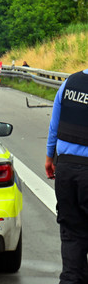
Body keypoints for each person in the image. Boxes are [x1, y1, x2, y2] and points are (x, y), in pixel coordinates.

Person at [45, 67, 88, 284]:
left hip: (66, 170)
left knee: (72, 232)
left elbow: (55, 126)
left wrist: (49, 157)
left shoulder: (69, 84)